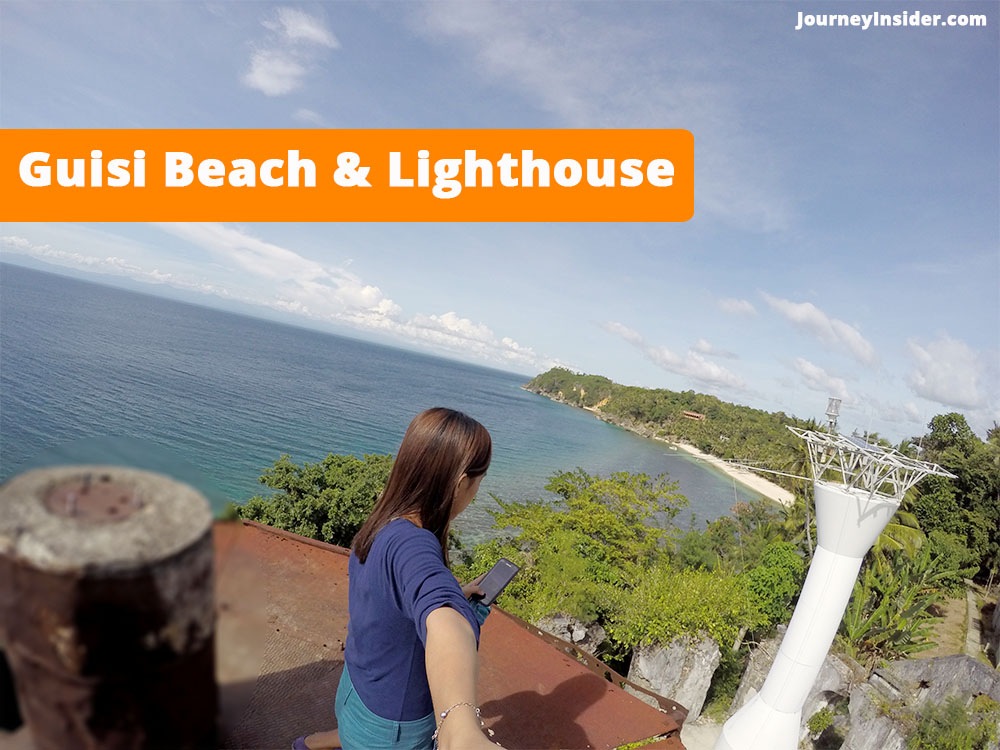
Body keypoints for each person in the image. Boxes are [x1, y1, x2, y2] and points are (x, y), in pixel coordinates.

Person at [294, 407, 501, 750]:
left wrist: (452, 590)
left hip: (356, 690)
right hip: (390, 730)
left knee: (353, 734)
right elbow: (446, 625)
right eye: (478, 482)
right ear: (462, 482)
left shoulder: (386, 520)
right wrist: (461, 729)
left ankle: (311, 744)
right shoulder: (415, 543)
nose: (476, 492)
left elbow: (388, 595)